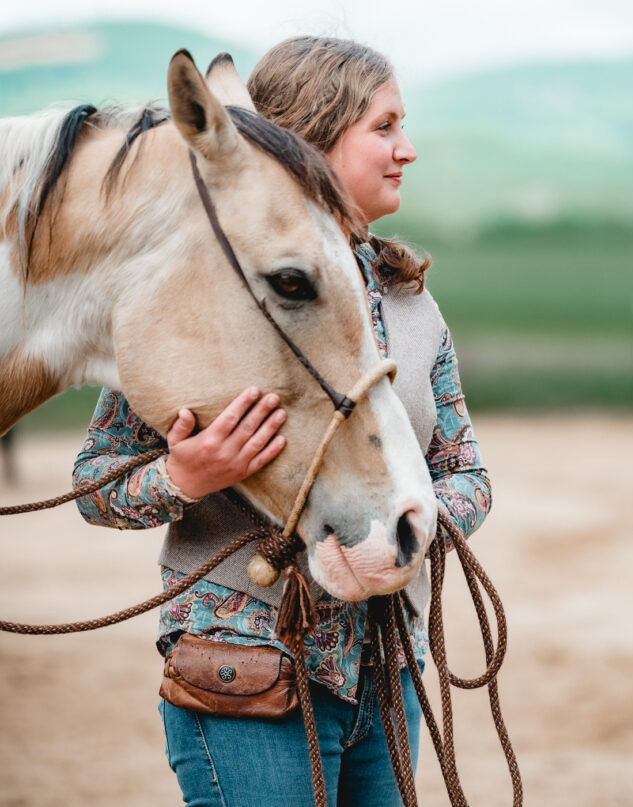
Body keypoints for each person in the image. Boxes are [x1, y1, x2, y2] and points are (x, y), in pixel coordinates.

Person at [73, 36, 491, 807]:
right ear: (314, 138)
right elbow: (96, 484)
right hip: (245, 676)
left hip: (384, 673)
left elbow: (465, 470)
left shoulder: (411, 304)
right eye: (386, 126)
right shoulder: (208, 290)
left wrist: (418, 519)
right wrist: (184, 476)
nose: (408, 149)